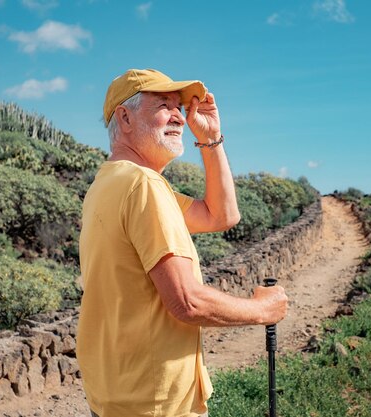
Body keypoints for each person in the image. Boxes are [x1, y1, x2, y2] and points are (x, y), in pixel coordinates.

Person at [77, 69, 288, 417]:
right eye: (163, 105)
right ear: (124, 117)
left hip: (119, 393)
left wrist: (211, 139)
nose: (178, 115)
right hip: (157, 403)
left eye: (179, 106)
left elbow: (221, 216)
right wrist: (264, 311)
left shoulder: (110, 182)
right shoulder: (143, 186)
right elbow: (187, 302)